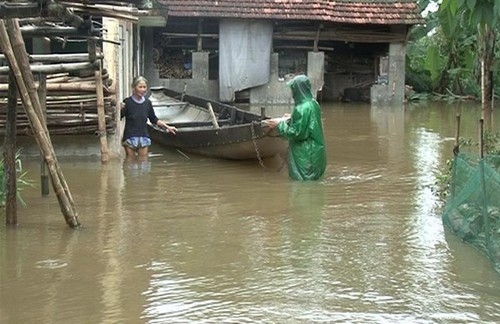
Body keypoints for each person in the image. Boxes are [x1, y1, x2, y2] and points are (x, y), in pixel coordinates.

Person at [268, 74, 327, 180]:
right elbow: (308, 123)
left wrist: (279, 125)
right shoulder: (313, 103)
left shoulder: (301, 108)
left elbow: (297, 133)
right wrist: (292, 118)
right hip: (317, 152)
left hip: (305, 154)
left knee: (302, 189)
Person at [121, 76, 177, 160]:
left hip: (144, 138)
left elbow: (154, 119)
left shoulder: (147, 103)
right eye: (140, 87)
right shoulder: (127, 102)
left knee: (144, 165)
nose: (143, 90)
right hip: (130, 138)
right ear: (133, 87)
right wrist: (118, 108)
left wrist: (167, 127)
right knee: (130, 165)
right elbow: (119, 116)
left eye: (144, 87)